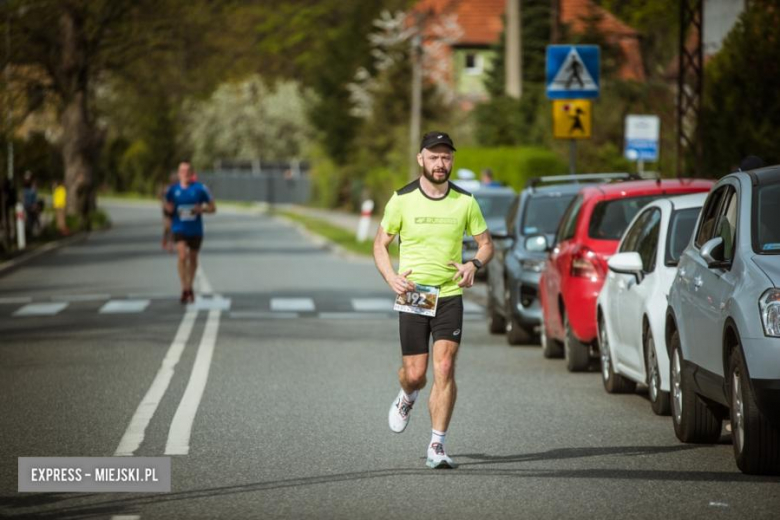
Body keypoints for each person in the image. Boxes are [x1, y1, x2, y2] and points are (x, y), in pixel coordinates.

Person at [373, 131, 494, 469]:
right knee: (416, 374)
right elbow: (379, 244)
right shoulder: (402, 199)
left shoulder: (465, 201)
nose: (441, 163)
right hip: (414, 293)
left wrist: (474, 264)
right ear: (421, 159)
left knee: (444, 367)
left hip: (449, 293)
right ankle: (407, 395)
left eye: (446, 157)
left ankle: (437, 445)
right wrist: (390, 276)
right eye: (434, 156)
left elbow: (486, 243)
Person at [164, 161, 216, 304]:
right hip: (178, 228)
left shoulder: (200, 189)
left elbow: (213, 208)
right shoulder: (172, 191)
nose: (185, 174)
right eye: (182, 171)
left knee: (193, 258)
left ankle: (190, 286)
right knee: (182, 255)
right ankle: (184, 288)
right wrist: (166, 236)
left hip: (195, 230)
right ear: (179, 173)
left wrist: (203, 210)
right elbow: (167, 214)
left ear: (192, 173)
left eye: (188, 171)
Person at [160, 172, 177, 252]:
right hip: (167, 209)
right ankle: (165, 239)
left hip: (176, 209)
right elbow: (162, 198)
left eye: (176, 179)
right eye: (173, 179)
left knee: (173, 228)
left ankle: (170, 244)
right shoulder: (168, 188)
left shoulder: (178, 188)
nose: (174, 180)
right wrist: (165, 206)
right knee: (167, 226)